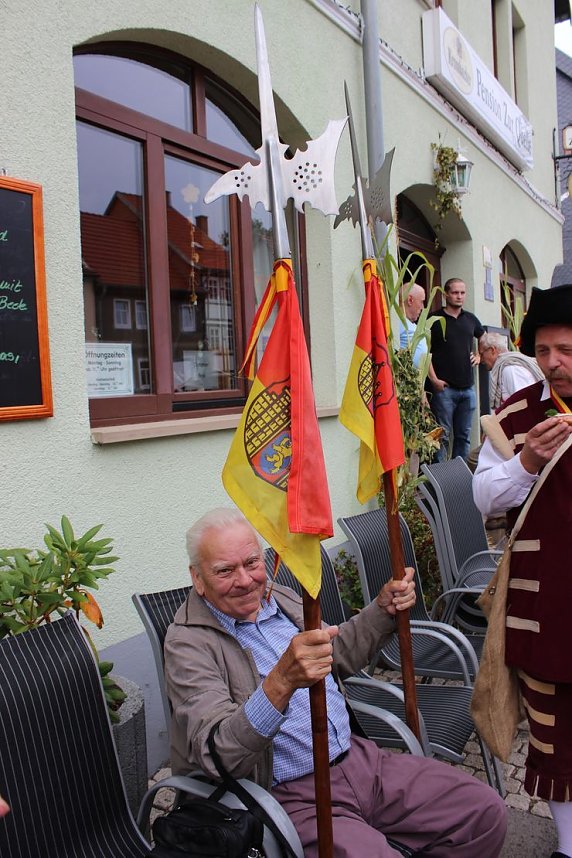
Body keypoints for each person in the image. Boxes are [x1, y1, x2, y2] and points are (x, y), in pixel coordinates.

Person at [164, 507, 507, 857]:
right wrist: (281, 681)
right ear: (198, 578)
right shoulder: (187, 644)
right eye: (225, 570)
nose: (245, 580)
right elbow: (218, 752)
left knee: (482, 813)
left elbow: (336, 655)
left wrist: (382, 610)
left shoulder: (278, 599)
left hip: (363, 764)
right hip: (290, 796)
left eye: (252, 563)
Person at [473, 283, 572, 858]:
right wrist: (528, 461)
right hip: (545, 604)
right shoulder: (514, 414)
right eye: (542, 351)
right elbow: (484, 498)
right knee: (556, 738)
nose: (552, 363)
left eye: (565, 349)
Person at [428, 278, 485, 461]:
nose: (459, 296)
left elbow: (485, 338)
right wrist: (434, 380)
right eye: (455, 292)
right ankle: (440, 481)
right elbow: (423, 352)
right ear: (446, 295)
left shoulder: (470, 319)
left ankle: (458, 478)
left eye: (462, 293)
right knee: (441, 437)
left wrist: (479, 355)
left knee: (463, 437)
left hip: (467, 389)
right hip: (444, 390)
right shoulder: (433, 319)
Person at [478, 331, 544, 410]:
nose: (481, 360)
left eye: (482, 354)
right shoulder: (509, 366)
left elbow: (523, 404)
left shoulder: (511, 369)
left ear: (492, 350)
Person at [398, 282, 440, 386]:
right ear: (410, 300)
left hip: (415, 386)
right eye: (421, 302)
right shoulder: (397, 322)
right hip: (404, 387)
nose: (422, 307)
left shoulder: (411, 325)